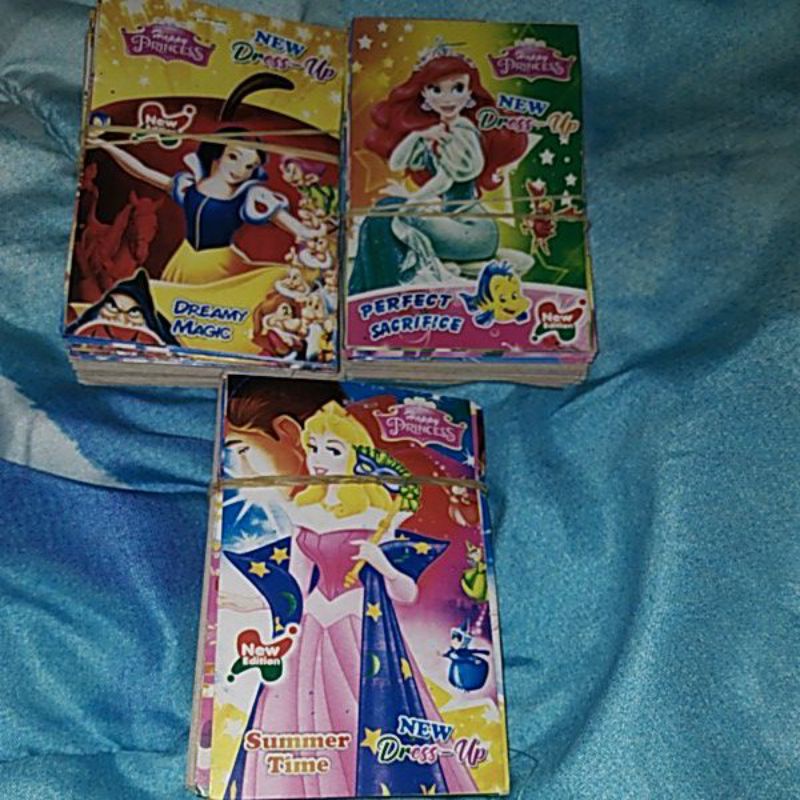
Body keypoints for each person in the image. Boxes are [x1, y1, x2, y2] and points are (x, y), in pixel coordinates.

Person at [222, 400, 477, 798]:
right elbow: (295, 585)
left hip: (358, 623)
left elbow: (406, 594)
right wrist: (252, 608)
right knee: (298, 715)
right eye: (314, 448)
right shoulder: (302, 509)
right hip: (311, 625)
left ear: (356, 455)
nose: (320, 459)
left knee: (367, 711)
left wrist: (383, 564)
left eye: (333, 449)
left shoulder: (378, 514)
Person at [349, 42, 529, 293]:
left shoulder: (463, 131)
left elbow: (445, 180)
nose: (448, 98)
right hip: (450, 223)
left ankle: (379, 289)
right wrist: (419, 135)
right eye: (436, 89)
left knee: (391, 210)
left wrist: (411, 201)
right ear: (424, 93)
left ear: (469, 93)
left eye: (458, 88)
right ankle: (371, 291)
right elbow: (396, 162)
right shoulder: (435, 133)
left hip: (474, 229)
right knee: (384, 210)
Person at [92, 128, 323, 284]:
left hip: (220, 265)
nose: (240, 170)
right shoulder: (188, 186)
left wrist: (312, 234)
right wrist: (107, 145)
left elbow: (287, 222)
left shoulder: (249, 196)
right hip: (184, 260)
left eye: (249, 166)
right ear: (216, 154)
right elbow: (142, 172)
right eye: (234, 157)